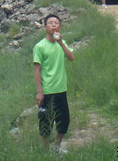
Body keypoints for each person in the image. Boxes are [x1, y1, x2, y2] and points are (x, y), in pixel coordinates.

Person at [34, 14, 75, 153]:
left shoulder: (61, 44)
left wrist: (62, 44)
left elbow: (71, 58)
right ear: (45, 27)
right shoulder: (40, 46)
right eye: (50, 23)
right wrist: (39, 92)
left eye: (56, 23)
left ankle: (56, 147)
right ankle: (45, 152)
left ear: (60, 27)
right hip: (47, 91)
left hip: (61, 89)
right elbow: (37, 69)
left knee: (64, 121)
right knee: (46, 123)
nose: (53, 25)